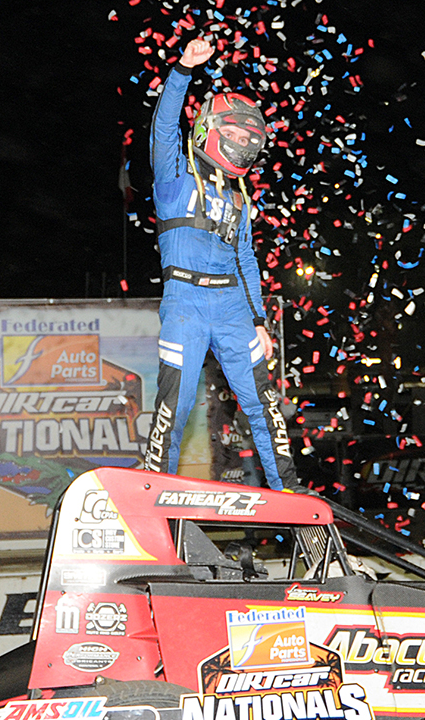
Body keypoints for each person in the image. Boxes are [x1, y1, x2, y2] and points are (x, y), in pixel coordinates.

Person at [142, 35, 302, 493]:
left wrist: (259, 322)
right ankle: (156, 495)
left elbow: (247, 258)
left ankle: (289, 491)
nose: (241, 143)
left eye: (249, 139)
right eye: (232, 134)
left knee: (263, 403)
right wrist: (182, 71)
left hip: (232, 304)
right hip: (186, 302)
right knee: (175, 406)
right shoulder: (173, 171)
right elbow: (164, 126)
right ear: (208, 130)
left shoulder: (239, 197)